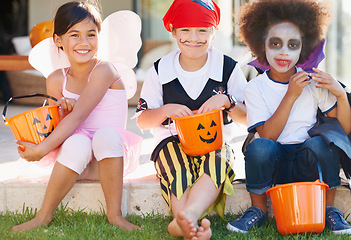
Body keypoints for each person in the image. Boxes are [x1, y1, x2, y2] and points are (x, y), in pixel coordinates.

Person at [227, 0, 351, 235]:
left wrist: (340, 95)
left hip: (308, 163)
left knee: (323, 143)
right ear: (261, 45)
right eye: (275, 44)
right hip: (275, 165)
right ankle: (258, 210)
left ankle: (329, 209)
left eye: (292, 44)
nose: (284, 52)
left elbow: (343, 130)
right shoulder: (255, 88)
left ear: (303, 48)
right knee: (259, 147)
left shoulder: (312, 82)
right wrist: (291, 95)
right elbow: (268, 135)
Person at [12, 1, 140, 232]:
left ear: (99, 37)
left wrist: (41, 151)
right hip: (77, 159)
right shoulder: (55, 80)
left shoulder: (105, 70)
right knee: (77, 141)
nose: (84, 42)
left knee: (106, 135)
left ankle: (115, 215)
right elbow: (58, 126)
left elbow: (80, 116)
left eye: (91, 34)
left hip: (109, 160)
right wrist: (61, 112)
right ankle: (43, 216)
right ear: (58, 41)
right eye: (74, 35)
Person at [135, 0, 247, 239]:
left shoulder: (227, 69)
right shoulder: (161, 70)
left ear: (214, 32)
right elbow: (143, 121)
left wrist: (228, 101)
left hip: (214, 142)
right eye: (185, 30)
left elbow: (249, 118)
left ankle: (185, 220)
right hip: (172, 141)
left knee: (219, 162)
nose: (193, 37)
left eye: (202, 30)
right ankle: (188, 222)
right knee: (178, 167)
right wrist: (165, 110)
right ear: (173, 31)